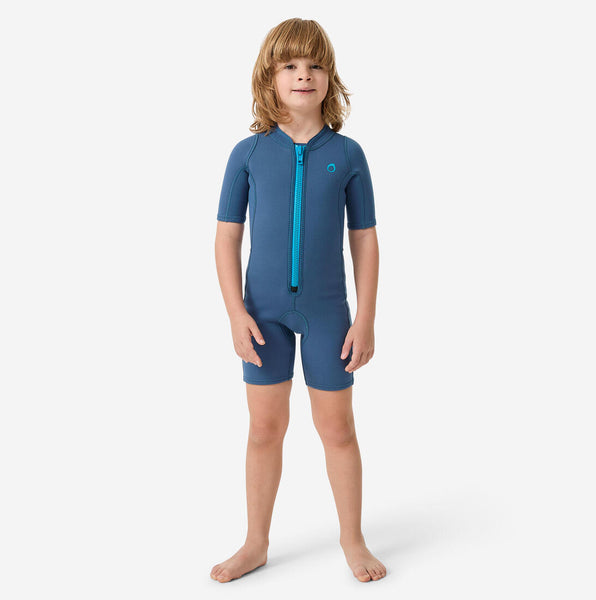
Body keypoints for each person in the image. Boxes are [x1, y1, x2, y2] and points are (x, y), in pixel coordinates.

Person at [212, 18, 385, 583]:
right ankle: (255, 542)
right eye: (289, 65)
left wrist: (365, 317)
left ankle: (353, 539)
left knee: (338, 429)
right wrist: (235, 313)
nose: (302, 75)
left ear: (330, 77)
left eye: (314, 65)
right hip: (262, 316)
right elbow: (227, 238)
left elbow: (364, 239)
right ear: (269, 76)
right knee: (264, 429)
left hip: (329, 313)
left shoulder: (348, 154)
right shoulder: (248, 153)